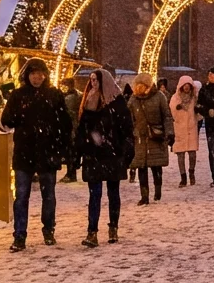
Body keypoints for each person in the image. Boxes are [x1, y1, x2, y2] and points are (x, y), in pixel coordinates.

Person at [0, 58, 72, 252]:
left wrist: (61, 149)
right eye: (33, 73)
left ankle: (49, 229)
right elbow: (7, 121)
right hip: (25, 152)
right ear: (27, 75)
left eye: (40, 73)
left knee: (48, 194)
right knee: (21, 195)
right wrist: (18, 115)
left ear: (45, 75)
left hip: (47, 152)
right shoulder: (18, 95)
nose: (37, 77)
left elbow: (65, 124)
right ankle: (19, 235)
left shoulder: (54, 95)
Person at [74, 69, 134, 248]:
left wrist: (121, 149)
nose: (93, 83)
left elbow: (126, 128)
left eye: (96, 80)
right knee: (95, 195)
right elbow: (82, 128)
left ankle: (113, 227)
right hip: (93, 154)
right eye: (91, 80)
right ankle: (92, 231)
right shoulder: (88, 101)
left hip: (112, 154)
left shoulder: (116, 102)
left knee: (113, 193)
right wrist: (80, 148)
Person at [127, 73, 174, 206]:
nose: (138, 89)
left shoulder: (159, 97)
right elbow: (128, 117)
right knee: (141, 166)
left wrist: (169, 132)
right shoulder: (134, 99)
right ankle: (144, 195)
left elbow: (166, 116)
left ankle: (157, 191)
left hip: (156, 136)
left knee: (156, 166)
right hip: (140, 137)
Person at [170, 75, 201, 187]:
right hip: (180, 129)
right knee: (180, 155)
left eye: (188, 86)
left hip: (191, 128)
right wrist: (178, 109)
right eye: (184, 86)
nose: (186, 88)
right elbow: (172, 112)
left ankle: (191, 173)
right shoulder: (175, 98)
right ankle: (183, 177)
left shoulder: (194, 98)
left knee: (192, 153)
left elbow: (199, 113)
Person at [60, 78, 81, 182]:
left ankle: (71, 173)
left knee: (70, 151)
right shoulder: (77, 95)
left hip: (70, 127)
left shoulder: (69, 98)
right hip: (74, 127)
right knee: (72, 151)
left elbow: (67, 112)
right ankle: (71, 172)